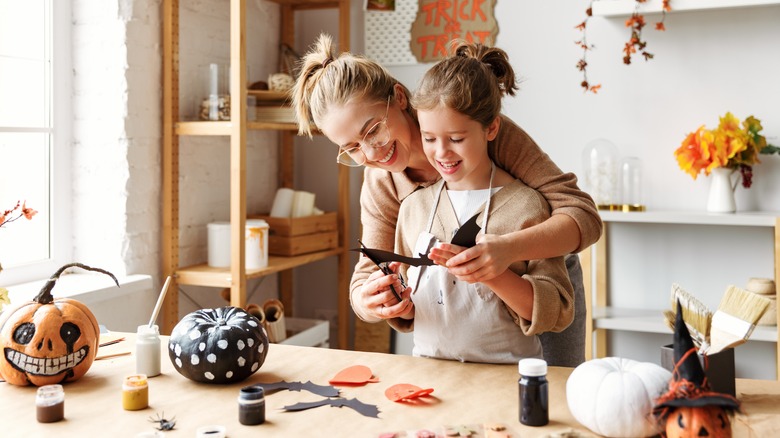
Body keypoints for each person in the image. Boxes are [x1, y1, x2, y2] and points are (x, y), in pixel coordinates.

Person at [291, 34, 602, 366]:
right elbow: (369, 271)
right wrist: (369, 301)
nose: (371, 152)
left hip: (538, 267)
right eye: (352, 148)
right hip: (453, 324)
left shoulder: (473, 126)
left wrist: (507, 251)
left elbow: (582, 215)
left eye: (372, 131)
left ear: (398, 97)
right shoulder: (384, 183)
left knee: (554, 395)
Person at [385, 41, 574, 362]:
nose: (441, 152)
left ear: (492, 128)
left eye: (456, 139)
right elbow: (409, 308)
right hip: (431, 379)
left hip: (506, 382)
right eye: (429, 139)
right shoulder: (413, 209)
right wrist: (394, 296)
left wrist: (491, 273)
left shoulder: (527, 207)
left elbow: (555, 313)